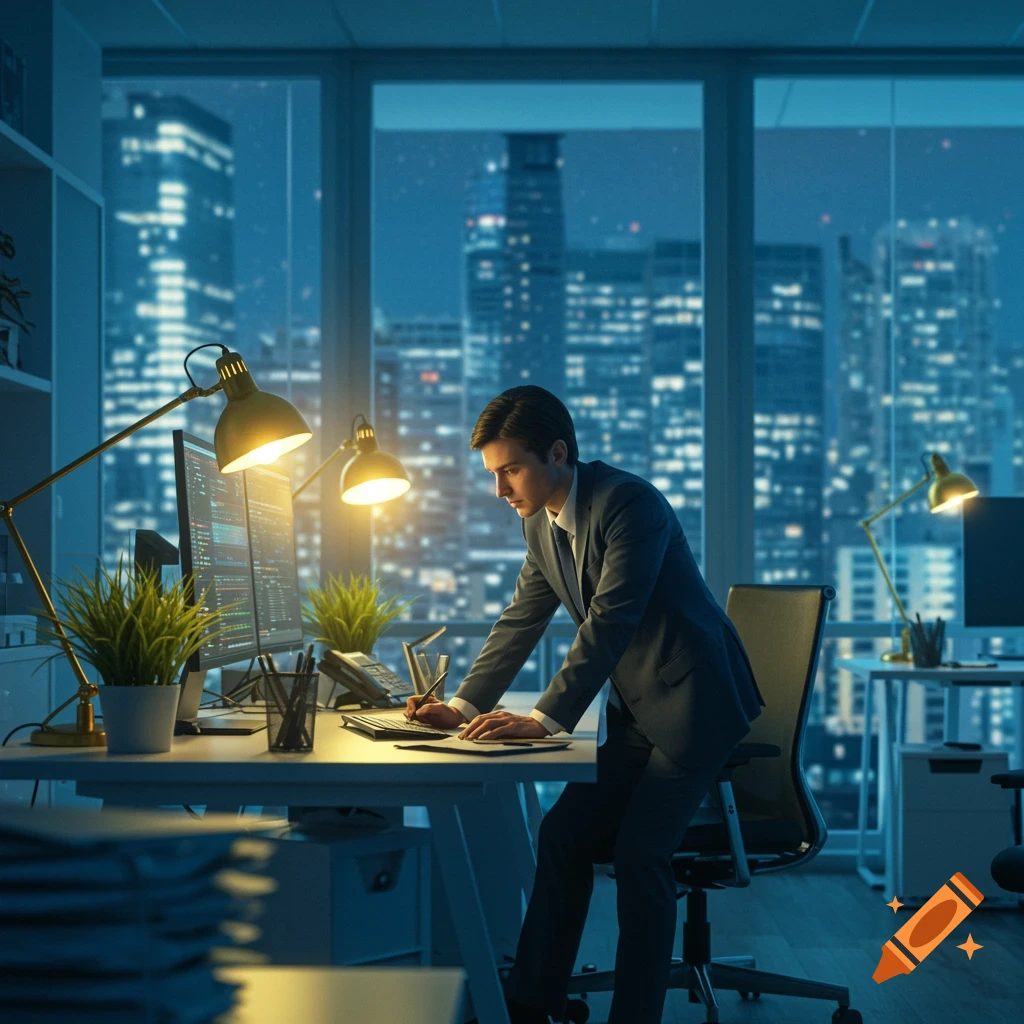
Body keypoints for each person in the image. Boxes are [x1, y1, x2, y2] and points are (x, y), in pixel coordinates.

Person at [405, 385, 764, 1024]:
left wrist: (543, 720)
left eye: (510, 470)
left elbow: (611, 621)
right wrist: (461, 707)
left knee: (640, 852)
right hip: (638, 709)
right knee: (563, 833)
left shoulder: (629, 503)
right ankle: (529, 1003)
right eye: (493, 474)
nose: (499, 489)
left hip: (695, 703)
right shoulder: (539, 522)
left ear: (557, 453)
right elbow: (521, 618)